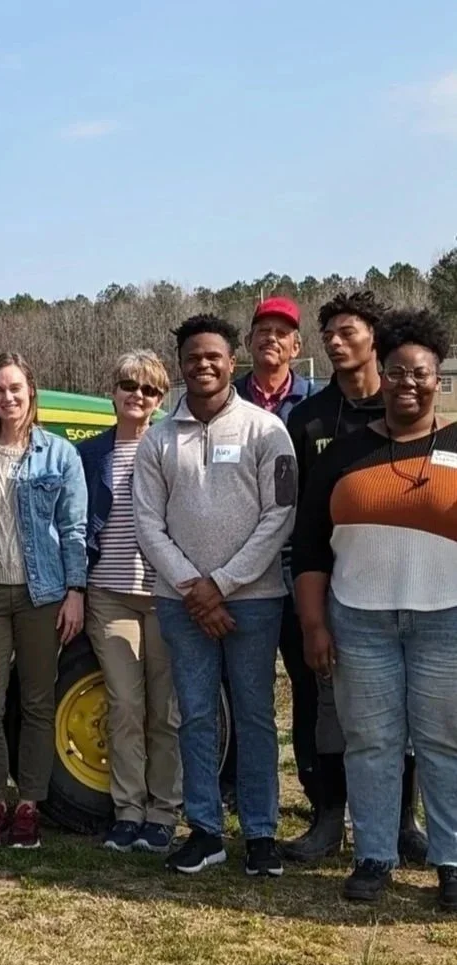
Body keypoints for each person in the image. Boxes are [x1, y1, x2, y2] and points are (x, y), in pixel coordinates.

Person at [292, 309, 457, 910]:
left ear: (438, 378)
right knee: (370, 741)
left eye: (420, 373)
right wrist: (313, 623)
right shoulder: (343, 454)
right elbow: (310, 545)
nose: (407, 383)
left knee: (445, 742)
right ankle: (375, 856)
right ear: (381, 376)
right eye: (396, 372)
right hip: (359, 620)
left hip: (446, 620)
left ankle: (451, 860)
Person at [134, 314, 297, 877]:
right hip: (181, 605)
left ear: (233, 362)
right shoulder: (158, 438)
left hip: (254, 599)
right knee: (196, 716)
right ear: (179, 364)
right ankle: (205, 830)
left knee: (254, 718)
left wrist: (221, 584)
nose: (203, 365)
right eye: (193, 357)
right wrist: (193, 588)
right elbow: (146, 523)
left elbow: (281, 515)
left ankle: (261, 834)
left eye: (214, 356)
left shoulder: (266, 430)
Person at [279, 292, 424, 864]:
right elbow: (298, 516)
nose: (336, 343)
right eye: (330, 335)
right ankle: (326, 818)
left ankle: (402, 823)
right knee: (325, 709)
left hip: (400, 586)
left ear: (375, 338)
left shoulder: (404, 410)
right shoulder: (308, 417)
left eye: (348, 332)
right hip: (328, 588)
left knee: (404, 711)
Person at [0, 353, 88, 851]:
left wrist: (75, 591)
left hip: (41, 594)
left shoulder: (59, 456)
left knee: (37, 702)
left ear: (31, 392)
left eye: (16, 388)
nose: (8, 397)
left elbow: (72, 529)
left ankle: (28, 803)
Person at [77, 351, 181, 855]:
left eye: (149, 390)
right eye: (127, 386)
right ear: (112, 392)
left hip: (165, 597)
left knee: (164, 711)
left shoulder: (172, 449)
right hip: (110, 596)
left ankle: (163, 813)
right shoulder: (90, 453)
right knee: (123, 705)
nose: (136, 396)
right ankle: (128, 810)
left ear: (160, 399)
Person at [233, 296, 322, 421]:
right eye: (264, 331)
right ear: (248, 342)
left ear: (295, 348)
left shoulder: (314, 399)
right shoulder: (231, 398)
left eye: (281, 333)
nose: (271, 338)